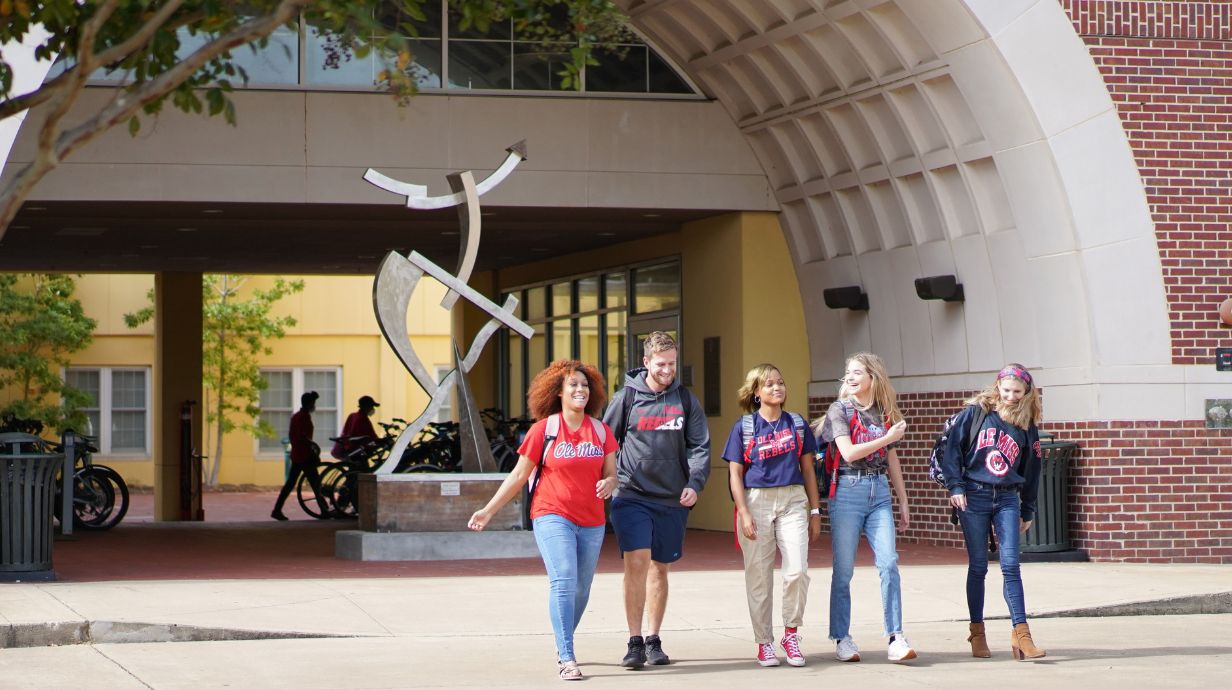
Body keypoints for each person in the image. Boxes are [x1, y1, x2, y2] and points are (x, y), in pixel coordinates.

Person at [468, 360, 618, 682]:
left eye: (584, 385)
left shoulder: (601, 430)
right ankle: (566, 655)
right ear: (558, 392)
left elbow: (611, 472)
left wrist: (610, 483)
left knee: (582, 588)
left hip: (592, 520)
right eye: (573, 385)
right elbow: (519, 474)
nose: (580, 390)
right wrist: (489, 510)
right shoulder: (544, 430)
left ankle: (563, 637)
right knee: (563, 579)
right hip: (552, 515)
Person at [602, 331, 710, 669]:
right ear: (646, 362)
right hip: (632, 495)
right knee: (636, 561)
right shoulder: (626, 398)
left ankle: (653, 639)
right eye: (661, 364)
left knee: (659, 567)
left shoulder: (686, 401)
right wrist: (612, 479)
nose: (667, 370)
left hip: (671, 498)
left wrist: (695, 482)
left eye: (672, 364)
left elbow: (699, 446)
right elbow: (606, 442)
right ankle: (634, 641)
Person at [814, 352, 916, 663]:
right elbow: (848, 453)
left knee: (889, 563)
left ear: (873, 376)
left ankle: (896, 636)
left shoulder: (884, 412)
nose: (852, 376)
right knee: (843, 571)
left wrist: (903, 499)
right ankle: (842, 637)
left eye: (858, 371)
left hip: (879, 490)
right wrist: (886, 438)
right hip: (847, 489)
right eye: (849, 372)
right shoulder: (839, 410)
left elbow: (892, 458)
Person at [941, 363, 1046, 661]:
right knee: (978, 566)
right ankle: (977, 632)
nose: (1011, 396)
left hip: (1008, 499)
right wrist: (955, 487)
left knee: (1011, 565)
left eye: (1017, 391)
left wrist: (1028, 509)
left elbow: (1032, 470)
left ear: (1027, 392)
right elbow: (952, 452)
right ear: (997, 386)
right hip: (973, 496)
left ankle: (1022, 635)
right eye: (1006, 389)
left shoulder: (1028, 425)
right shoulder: (976, 413)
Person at [722, 363, 821, 667]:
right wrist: (744, 512)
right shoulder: (745, 427)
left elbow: (808, 470)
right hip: (756, 502)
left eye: (780, 382)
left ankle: (791, 634)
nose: (777, 388)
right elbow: (735, 474)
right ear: (755, 393)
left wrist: (815, 510)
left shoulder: (797, 424)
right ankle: (764, 641)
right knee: (759, 578)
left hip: (793, 499)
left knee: (797, 570)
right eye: (769, 384)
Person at [271, 391, 330, 520]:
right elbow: (302, 436)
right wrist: (313, 446)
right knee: (315, 482)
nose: (314, 405)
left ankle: (277, 509)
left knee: (292, 484)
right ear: (310, 404)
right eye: (313, 403)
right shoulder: (303, 417)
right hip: (304, 455)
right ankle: (325, 510)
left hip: (298, 454)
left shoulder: (297, 416)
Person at [331, 395, 379, 460]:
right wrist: (380, 441)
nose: (372, 409)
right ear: (366, 407)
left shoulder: (352, 415)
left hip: (347, 447)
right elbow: (370, 436)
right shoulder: (363, 419)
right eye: (371, 406)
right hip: (356, 450)